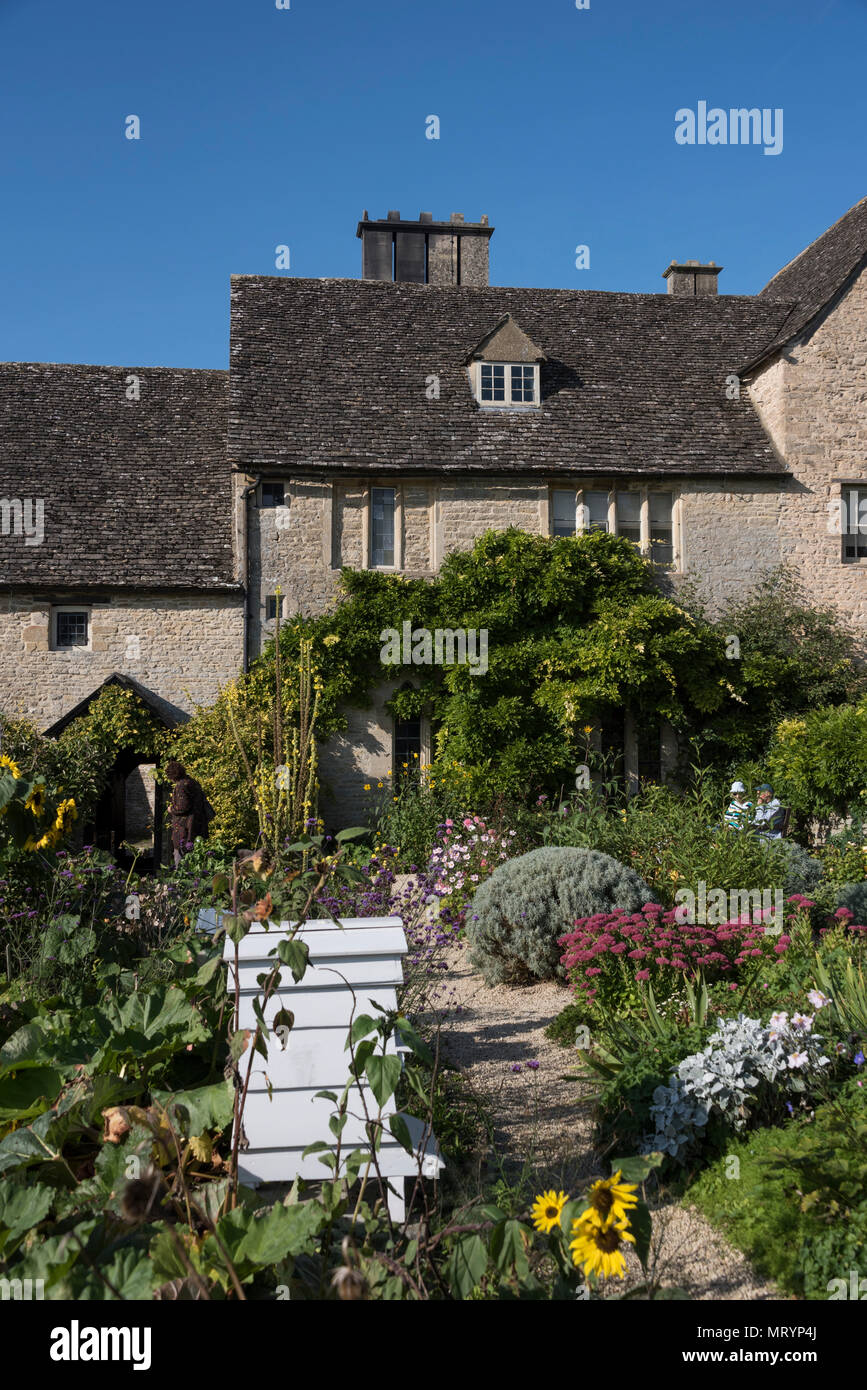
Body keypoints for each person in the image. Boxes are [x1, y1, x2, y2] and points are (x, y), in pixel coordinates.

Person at [166, 760, 210, 867]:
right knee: (195, 856)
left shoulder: (181, 785)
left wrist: (171, 809)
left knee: (182, 857)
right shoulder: (193, 782)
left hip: (185, 827)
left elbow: (183, 807)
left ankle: (182, 881)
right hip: (197, 824)